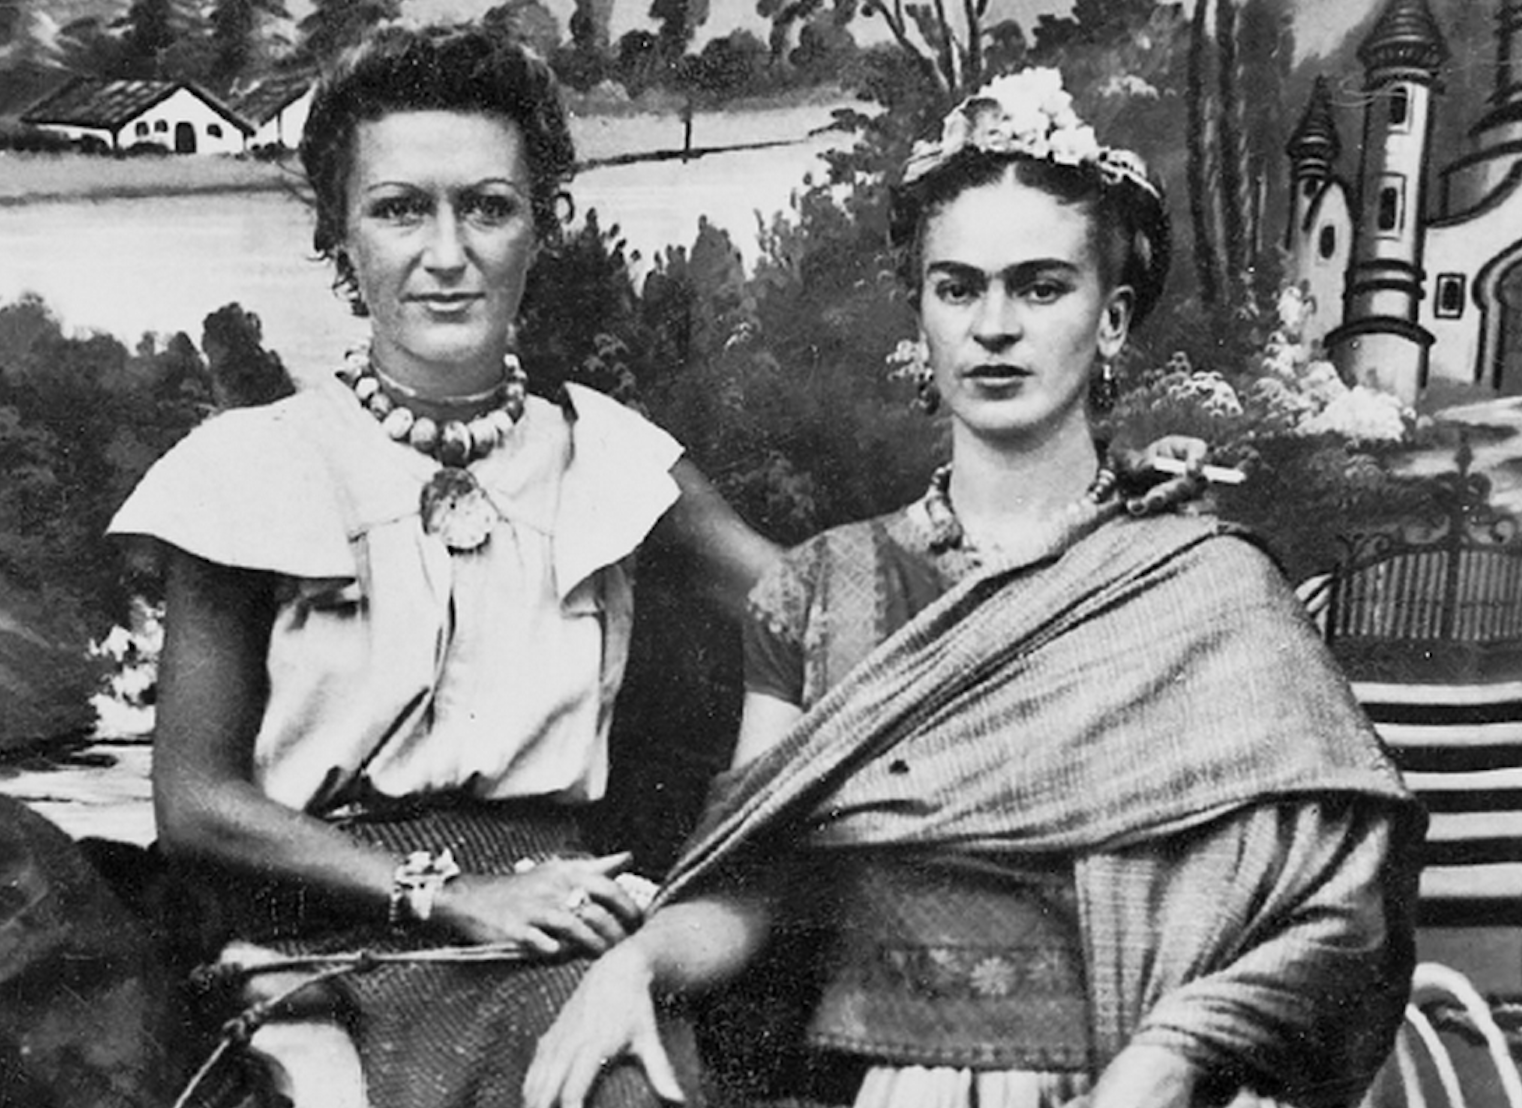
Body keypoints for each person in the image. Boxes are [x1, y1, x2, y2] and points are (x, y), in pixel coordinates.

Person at [525, 67, 1423, 1108]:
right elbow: (749, 884)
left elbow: (1337, 903)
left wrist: (1174, 1054)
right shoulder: (823, 589)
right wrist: (636, 962)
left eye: (1040, 287)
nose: (994, 325)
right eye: (958, 288)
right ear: (923, 316)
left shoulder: (1206, 590)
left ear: (1112, 319)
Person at [106, 21, 775, 1108]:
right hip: (317, 939)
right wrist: (444, 893)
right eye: (400, 208)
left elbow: (822, 605)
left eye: (489, 207)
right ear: (338, 234)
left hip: (549, 925)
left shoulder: (611, 456)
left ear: (542, 227)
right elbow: (196, 803)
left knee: (619, 1089)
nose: (448, 252)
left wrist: (1082, 531)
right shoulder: (251, 466)